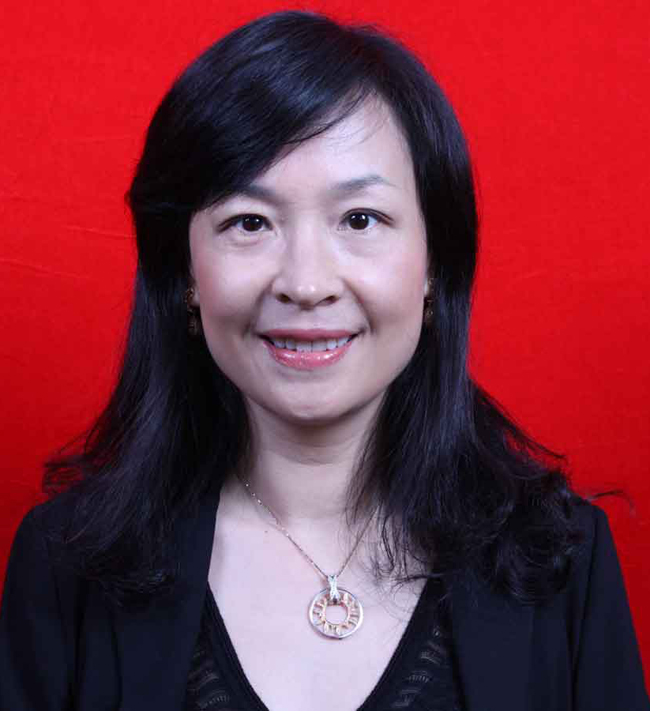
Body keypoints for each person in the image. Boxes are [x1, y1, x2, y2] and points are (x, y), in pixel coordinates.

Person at [0, 9, 647, 711]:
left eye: (360, 219)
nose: (306, 284)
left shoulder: (564, 562)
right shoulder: (66, 565)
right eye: (249, 222)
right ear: (184, 273)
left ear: (435, 265)